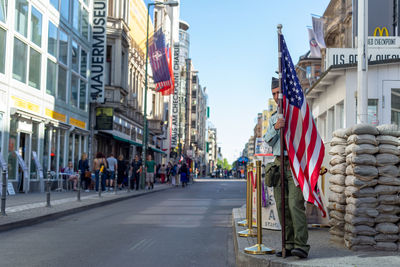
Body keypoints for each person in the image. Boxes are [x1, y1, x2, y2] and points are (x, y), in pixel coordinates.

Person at [264, 77, 309, 259]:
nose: (276, 97)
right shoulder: (274, 117)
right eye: (273, 94)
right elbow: (268, 139)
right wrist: (276, 127)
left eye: (278, 93)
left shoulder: (298, 113)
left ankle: (301, 245)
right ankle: (288, 244)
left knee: (295, 204)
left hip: (295, 163)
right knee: (282, 205)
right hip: (278, 163)